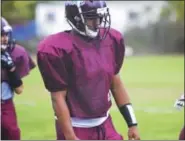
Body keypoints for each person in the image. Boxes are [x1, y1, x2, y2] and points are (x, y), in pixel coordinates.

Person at [37, 0, 140, 140]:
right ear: (76, 18)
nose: (98, 22)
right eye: (92, 18)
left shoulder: (111, 39)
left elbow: (116, 84)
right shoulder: (56, 49)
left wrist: (132, 123)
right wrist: (70, 136)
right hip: (76, 126)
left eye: (100, 17)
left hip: (105, 124)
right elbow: (58, 97)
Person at [1, 17, 36, 140]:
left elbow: (19, 89)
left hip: (5, 103)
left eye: (5, 34)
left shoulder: (15, 53)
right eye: (1, 35)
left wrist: (11, 68)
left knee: (12, 134)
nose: (4, 38)